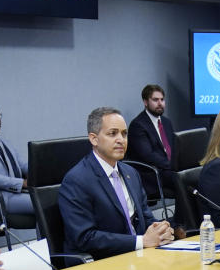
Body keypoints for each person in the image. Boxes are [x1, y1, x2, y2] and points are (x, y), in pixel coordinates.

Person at [59, 107, 174, 260]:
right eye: (112, 133)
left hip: (139, 256)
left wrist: (160, 230)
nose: (121, 139)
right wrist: (141, 241)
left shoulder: (131, 173)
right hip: (102, 263)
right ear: (94, 139)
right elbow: (85, 237)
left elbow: (146, 219)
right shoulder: (76, 180)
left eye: (124, 133)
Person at [127, 84, 176, 199]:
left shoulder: (166, 122)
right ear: (145, 102)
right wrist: (174, 165)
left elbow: (174, 148)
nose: (160, 103)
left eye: (162, 100)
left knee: (195, 177)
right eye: (155, 100)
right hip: (152, 173)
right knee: (184, 181)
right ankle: (183, 216)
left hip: (168, 169)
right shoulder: (138, 125)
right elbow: (148, 155)